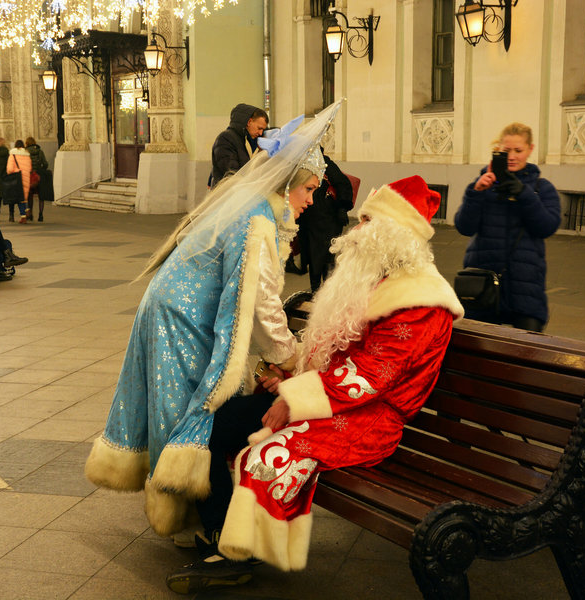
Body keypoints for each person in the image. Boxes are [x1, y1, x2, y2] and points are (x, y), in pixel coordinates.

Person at [165, 175, 464, 594]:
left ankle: (241, 554)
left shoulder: (419, 301)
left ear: (394, 237)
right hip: (326, 398)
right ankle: (221, 532)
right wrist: (286, 377)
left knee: (268, 452)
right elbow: (329, 352)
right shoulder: (374, 281)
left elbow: (368, 377)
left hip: (371, 418)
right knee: (214, 424)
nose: (355, 233)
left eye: (367, 223)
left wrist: (295, 399)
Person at [85, 102, 342, 551]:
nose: (309, 201)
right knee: (197, 415)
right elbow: (260, 304)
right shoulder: (259, 220)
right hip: (180, 321)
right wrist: (291, 359)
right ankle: (214, 526)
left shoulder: (251, 205)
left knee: (181, 412)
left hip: (171, 310)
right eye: (309, 190)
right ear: (290, 184)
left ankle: (197, 517)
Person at [453, 122, 561, 332]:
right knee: (481, 354)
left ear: (530, 149)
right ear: (498, 151)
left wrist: (524, 194)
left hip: (526, 287)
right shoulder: (481, 184)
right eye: (506, 151)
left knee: (527, 351)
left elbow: (547, 227)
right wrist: (476, 193)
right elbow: (464, 226)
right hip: (482, 284)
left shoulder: (541, 188)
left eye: (518, 151)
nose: (511, 156)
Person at [297, 150, 354, 291]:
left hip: (327, 219)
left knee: (326, 256)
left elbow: (343, 183)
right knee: (315, 256)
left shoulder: (325, 163)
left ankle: (326, 291)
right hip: (311, 220)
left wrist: (342, 207)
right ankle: (316, 290)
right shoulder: (301, 165)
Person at [209, 103, 268, 188]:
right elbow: (231, 173)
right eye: (259, 128)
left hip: (242, 193)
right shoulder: (226, 139)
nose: (260, 133)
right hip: (225, 195)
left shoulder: (251, 141)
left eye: (263, 130)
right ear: (249, 122)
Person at [6, 140, 32, 224]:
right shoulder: (27, 155)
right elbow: (30, 168)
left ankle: (23, 216)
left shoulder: (12, 155)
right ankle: (27, 209)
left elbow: (9, 169)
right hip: (26, 177)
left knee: (19, 197)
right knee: (24, 196)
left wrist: (14, 170)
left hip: (17, 177)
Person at [24, 136, 49, 222]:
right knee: (41, 196)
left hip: (29, 176)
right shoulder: (40, 151)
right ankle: (41, 214)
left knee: (30, 196)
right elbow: (45, 164)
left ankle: (30, 213)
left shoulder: (26, 152)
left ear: (26, 143)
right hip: (39, 175)